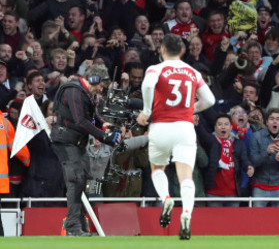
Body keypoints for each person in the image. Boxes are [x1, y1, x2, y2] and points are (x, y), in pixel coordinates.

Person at [136, 34, 216, 240]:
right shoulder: (193, 72)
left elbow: (146, 86)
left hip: (161, 126)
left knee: (158, 168)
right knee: (186, 176)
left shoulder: (156, 68)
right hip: (185, 127)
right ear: (182, 51)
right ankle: (187, 214)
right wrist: (191, 110)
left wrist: (146, 110)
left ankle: (166, 199)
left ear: (162, 50)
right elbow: (210, 100)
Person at [50, 64, 121, 236]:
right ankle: (73, 227)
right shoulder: (73, 92)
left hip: (77, 143)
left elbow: (91, 117)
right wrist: (105, 137)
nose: (102, 88)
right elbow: (81, 121)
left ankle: (81, 226)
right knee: (76, 180)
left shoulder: (84, 93)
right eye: (101, 84)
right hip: (66, 142)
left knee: (84, 181)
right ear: (93, 79)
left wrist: (104, 124)